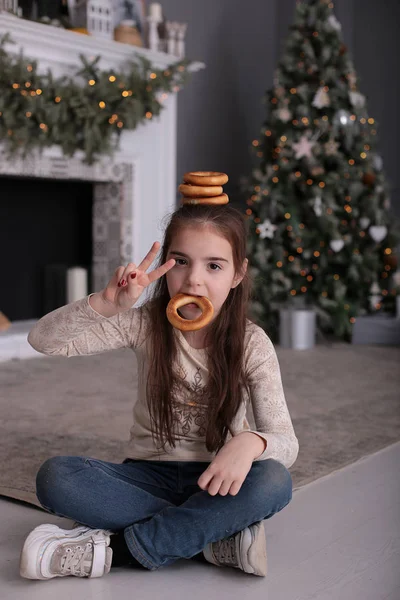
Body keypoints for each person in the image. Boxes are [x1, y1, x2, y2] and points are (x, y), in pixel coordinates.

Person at [20, 202, 299, 581]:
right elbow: (43, 340)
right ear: (164, 263)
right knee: (56, 478)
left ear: (238, 274)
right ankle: (210, 535)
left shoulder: (252, 343)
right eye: (180, 261)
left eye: (214, 266)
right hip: (146, 474)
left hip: (220, 479)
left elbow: (286, 442)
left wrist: (250, 443)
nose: (193, 281)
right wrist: (104, 305)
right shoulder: (143, 325)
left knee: (274, 482)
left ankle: (117, 551)